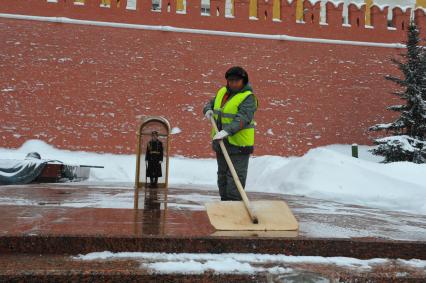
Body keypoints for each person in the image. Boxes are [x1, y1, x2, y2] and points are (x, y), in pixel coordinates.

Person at [203, 66, 258, 201]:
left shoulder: (248, 98)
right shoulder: (222, 92)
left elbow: (243, 118)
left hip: (239, 145)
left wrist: (227, 131)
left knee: (235, 178)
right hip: (221, 143)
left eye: (236, 81)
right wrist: (207, 110)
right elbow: (211, 103)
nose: (233, 83)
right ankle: (225, 203)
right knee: (222, 176)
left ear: (243, 81)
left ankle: (234, 206)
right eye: (230, 80)